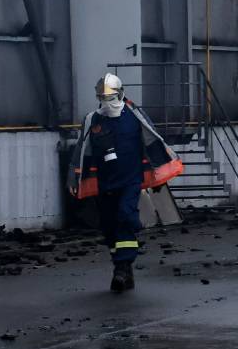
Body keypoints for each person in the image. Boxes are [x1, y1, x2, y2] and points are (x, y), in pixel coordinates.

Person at [70, 73, 182, 292]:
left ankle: (122, 268)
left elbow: (152, 139)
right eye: (103, 97)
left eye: (110, 97)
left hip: (130, 180)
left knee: (125, 216)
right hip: (105, 183)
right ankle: (122, 266)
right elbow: (81, 153)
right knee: (110, 226)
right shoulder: (93, 120)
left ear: (120, 94)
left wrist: (159, 169)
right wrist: (74, 178)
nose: (107, 102)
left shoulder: (134, 116)